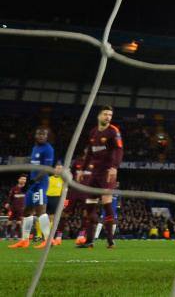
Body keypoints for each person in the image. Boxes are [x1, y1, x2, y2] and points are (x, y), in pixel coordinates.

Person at [74, 105, 123, 249]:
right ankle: (89, 241)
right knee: (90, 206)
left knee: (107, 203)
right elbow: (89, 152)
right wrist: (82, 170)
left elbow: (119, 149)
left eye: (110, 115)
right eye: (105, 114)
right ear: (99, 116)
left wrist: (114, 167)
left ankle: (110, 241)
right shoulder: (93, 132)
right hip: (94, 173)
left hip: (107, 172)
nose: (108, 117)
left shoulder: (113, 131)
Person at [9, 128, 54, 249]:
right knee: (27, 211)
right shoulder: (35, 148)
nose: (41, 136)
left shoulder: (48, 149)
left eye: (43, 134)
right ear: (35, 135)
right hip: (33, 183)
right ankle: (24, 240)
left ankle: (48, 240)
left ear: (47, 136)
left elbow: (46, 168)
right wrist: (30, 179)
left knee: (40, 211)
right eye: (39, 134)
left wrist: (33, 180)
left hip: (41, 182)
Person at [4, 175, 26, 240]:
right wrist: (8, 203)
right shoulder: (14, 188)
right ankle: (7, 235)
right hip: (13, 208)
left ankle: (16, 235)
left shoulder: (27, 188)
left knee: (19, 222)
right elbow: (10, 197)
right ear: (18, 180)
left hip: (21, 208)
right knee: (9, 221)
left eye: (25, 179)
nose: (23, 180)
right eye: (22, 179)